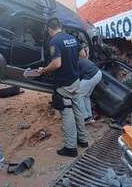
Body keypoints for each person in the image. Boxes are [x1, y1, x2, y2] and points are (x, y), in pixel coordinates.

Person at [39, 18, 89, 158]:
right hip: (75, 81)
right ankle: (83, 140)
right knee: (78, 111)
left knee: (67, 114)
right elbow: (83, 56)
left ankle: (70, 147)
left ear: (50, 29)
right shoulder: (71, 38)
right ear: (60, 26)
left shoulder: (54, 41)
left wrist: (43, 70)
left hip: (63, 84)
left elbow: (56, 64)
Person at [78, 45, 102, 124]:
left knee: (78, 95)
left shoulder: (75, 61)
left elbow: (79, 76)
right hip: (98, 73)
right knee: (86, 95)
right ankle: (89, 117)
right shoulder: (81, 58)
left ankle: (85, 118)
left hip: (91, 76)